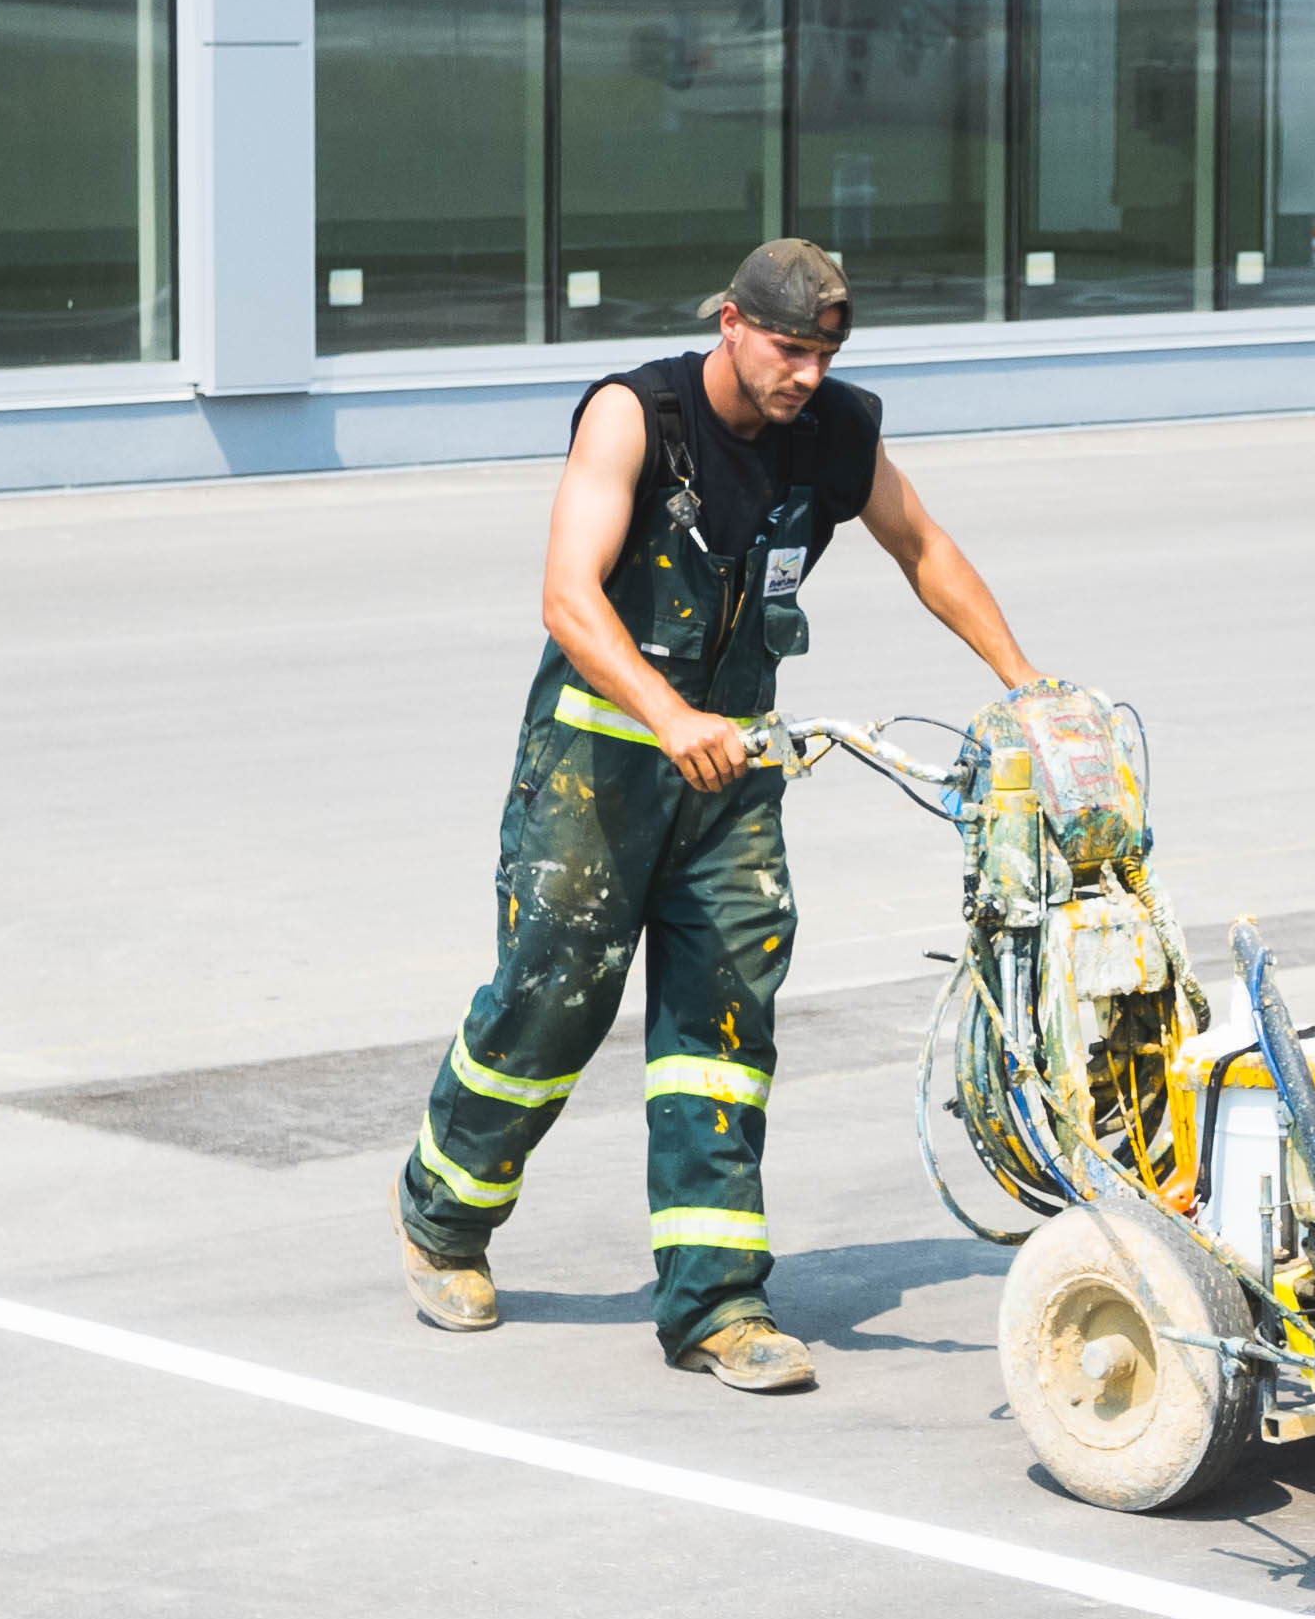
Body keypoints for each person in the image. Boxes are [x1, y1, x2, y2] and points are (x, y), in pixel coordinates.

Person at [396, 238, 1041, 1390]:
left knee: (723, 1032)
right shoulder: (634, 417)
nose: (806, 373)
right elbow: (568, 595)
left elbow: (923, 547)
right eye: (790, 348)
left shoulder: (838, 430)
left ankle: (715, 1303)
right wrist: (667, 713)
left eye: (825, 353)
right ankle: (444, 1215)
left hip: (734, 768)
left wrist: (1026, 687)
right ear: (733, 324)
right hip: (601, 759)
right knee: (552, 1006)